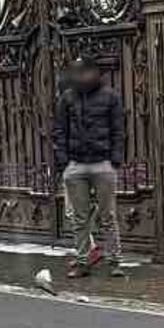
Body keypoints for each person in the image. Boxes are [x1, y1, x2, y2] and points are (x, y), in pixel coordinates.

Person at [51, 55, 125, 279]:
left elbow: (118, 129)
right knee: (79, 218)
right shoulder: (68, 98)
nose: (82, 76)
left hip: (102, 163)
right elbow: (59, 130)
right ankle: (83, 261)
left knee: (107, 215)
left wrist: (114, 159)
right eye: (78, 72)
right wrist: (64, 161)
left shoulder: (110, 97)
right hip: (76, 165)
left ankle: (114, 261)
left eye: (86, 71)